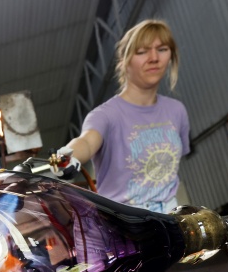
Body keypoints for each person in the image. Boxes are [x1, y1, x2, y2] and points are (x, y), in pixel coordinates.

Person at [58, 19, 190, 213]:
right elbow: (86, 142)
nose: (154, 58)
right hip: (123, 222)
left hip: (171, 218)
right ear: (125, 60)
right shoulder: (106, 115)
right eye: (142, 51)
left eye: (162, 49)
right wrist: (66, 156)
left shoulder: (176, 110)